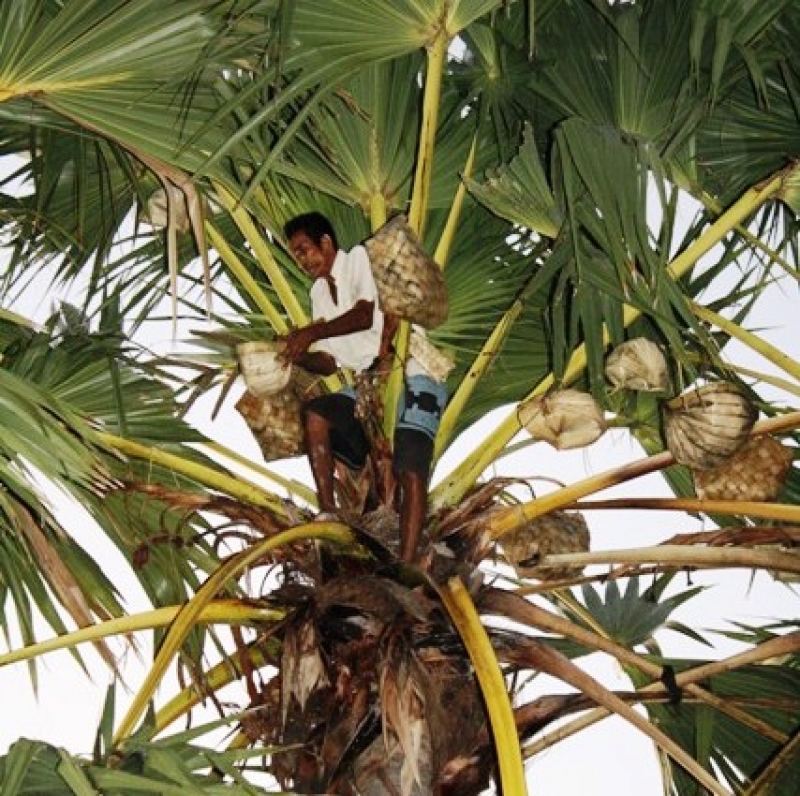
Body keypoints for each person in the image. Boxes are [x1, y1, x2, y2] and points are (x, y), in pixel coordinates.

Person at [281, 212, 447, 563]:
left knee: (409, 466)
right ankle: (328, 511)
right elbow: (328, 361)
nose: (302, 260)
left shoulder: (357, 260)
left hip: (410, 370)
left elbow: (365, 315)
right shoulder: (318, 293)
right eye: (296, 254)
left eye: (305, 249)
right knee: (316, 414)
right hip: (368, 384)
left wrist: (311, 332)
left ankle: (406, 563)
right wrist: (296, 355)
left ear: (326, 243)